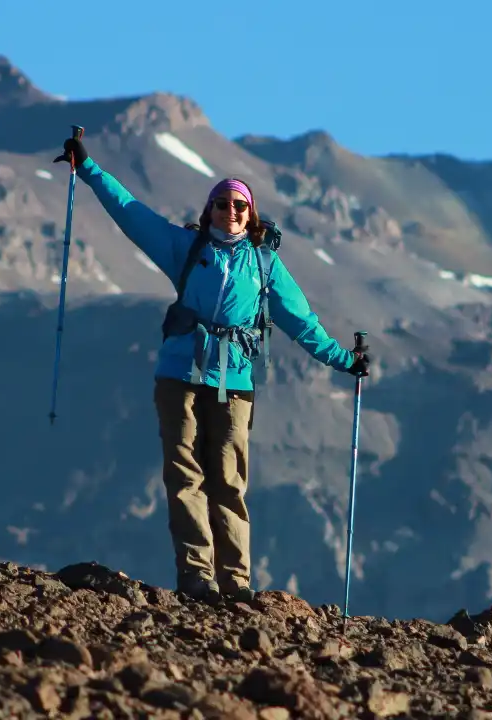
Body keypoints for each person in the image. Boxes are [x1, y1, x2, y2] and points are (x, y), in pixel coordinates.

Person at [56, 133, 373, 604]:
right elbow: (129, 212)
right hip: (179, 374)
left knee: (227, 480)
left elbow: (302, 322)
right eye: (223, 204)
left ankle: (236, 582)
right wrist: (87, 167)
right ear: (209, 211)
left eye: (239, 205)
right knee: (184, 474)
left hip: (234, 381)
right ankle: (197, 577)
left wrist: (344, 361)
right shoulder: (183, 247)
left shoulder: (265, 266)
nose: (231, 212)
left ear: (252, 214)